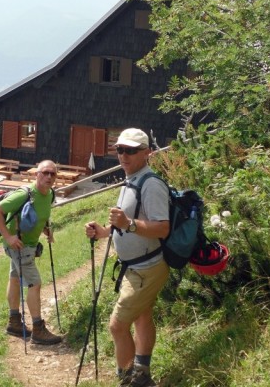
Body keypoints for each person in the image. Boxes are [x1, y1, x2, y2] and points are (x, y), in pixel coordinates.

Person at [84, 128, 170, 387]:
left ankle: (129, 378)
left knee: (117, 326)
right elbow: (124, 223)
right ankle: (141, 374)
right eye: (120, 149)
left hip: (147, 268)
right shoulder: (130, 180)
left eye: (131, 150)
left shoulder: (151, 184)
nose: (124, 155)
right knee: (142, 316)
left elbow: (162, 228)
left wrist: (128, 224)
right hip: (135, 267)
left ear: (147, 153)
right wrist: (103, 232)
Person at [0, 159, 62, 345]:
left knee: (14, 278)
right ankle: (38, 330)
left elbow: (41, 213)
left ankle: (14, 323)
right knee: (35, 284)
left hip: (26, 245)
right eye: (44, 172)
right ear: (36, 174)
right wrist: (8, 237)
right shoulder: (25, 194)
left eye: (52, 174)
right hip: (19, 246)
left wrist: (45, 228)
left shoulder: (49, 194)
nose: (48, 176)